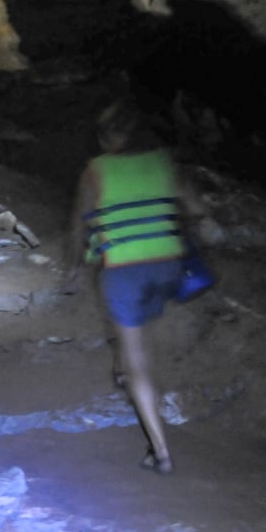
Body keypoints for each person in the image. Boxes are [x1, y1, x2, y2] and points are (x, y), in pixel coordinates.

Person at [66, 99, 200, 476]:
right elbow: (196, 208)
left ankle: (159, 451)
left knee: (137, 354)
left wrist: (76, 266)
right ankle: (123, 368)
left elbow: (79, 225)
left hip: (125, 270)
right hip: (168, 267)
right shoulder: (162, 161)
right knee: (136, 325)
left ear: (108, 137)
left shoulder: (96, 170)